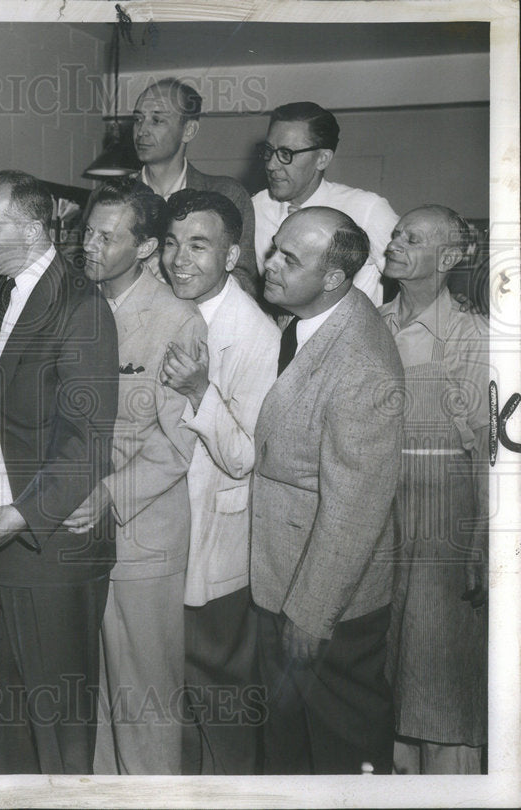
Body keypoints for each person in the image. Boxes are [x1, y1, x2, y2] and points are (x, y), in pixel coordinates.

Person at [0, 171, 119, 774]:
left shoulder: (82, 304)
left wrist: (26, 513)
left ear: (32, 230)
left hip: (49, 546)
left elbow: (87, 443)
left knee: (57, 728)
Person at [250, 207, 404, 774]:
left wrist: (312, 614)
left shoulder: (361, 362)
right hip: (285, 574)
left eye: (290, 259)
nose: (270, 263)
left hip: (326, 603)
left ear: (334, 279)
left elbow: (357, 506)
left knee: (342, 749)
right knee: (290, 745)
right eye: (274, 248)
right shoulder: (308, 322)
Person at [61, 178, 206, 775]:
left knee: (143, 703)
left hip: (139, 540)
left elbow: (175, 447)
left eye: (105, 236)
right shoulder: (71, 303)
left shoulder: (177, 321)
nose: (88, 246)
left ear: (145, 248)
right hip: (73, 532)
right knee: (89, 697)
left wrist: (105, 496)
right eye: (86, 232)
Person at [158, 189, 279, 774]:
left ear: (232, 257)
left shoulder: (254, 334)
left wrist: (200, 392)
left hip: (215, 550)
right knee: (170, 695)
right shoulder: (163, 308)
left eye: (198, 245)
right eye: (172, 243)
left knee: (220, 698)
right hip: (161, 537)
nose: (179, 259)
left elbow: (245, 457)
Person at [381, 205, 488, 774]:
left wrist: (480, 545)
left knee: (444, 690)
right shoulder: (375, 323)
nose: (395, 243)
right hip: (385, 524)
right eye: (396, 234)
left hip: (447, 529)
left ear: (448, 259)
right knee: (394, 683)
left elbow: (489, 454)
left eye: (412, 238)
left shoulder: (471, 338)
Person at [252, 102, 399, 307]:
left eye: (286, 153)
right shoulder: (255, 208)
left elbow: (417, 276)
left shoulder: (368, 209)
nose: (271, 165)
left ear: (322, 158)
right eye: (269, 151)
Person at [132, 78, 258, 296]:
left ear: (188, 130)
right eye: (138, 119)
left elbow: (246, 282)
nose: (142, 130)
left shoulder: (227, 194)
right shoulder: (112, 198)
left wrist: (179, 278)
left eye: (157, 120)